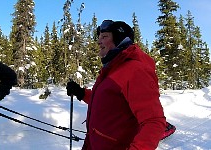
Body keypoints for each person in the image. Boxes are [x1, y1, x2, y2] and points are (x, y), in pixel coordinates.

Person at [66, 20, 174, 150]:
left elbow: (154, 121)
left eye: (104, 37)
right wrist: (81, 93)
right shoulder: (112, 69)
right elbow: (109, 103)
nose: (99, 41)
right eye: (99, 37)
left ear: (120, 39)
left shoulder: (135, 70)